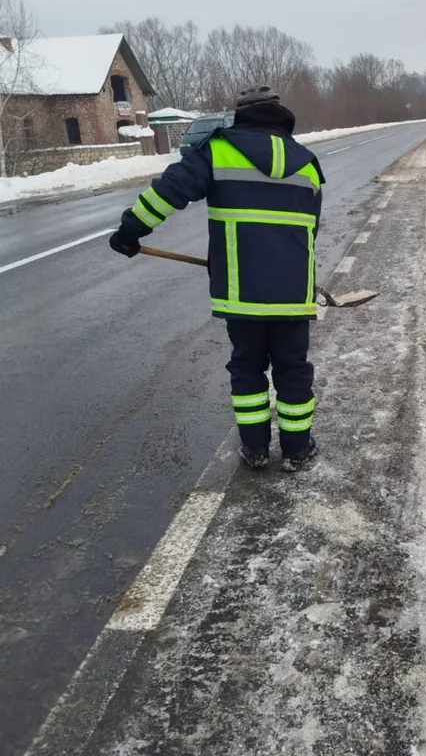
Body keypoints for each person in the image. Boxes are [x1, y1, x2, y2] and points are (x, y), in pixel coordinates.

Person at [109, 86, 325, 472]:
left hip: (241, 295)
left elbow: (168, 192)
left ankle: (255, 449)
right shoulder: (308, 164)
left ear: (240, 115)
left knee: (247, 368)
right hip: (294, 295)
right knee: (293, 371)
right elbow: (311, 232)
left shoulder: (218, 151)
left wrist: (130, 231)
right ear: (281, 117)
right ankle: (297, 450)